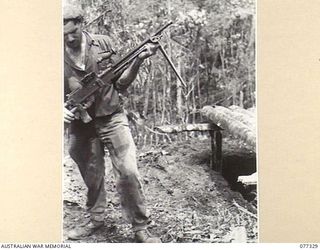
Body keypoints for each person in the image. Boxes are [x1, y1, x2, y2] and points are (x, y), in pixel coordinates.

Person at [63, 3, 161, 243]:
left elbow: (122, 83)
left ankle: (140, 227)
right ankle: (96, 219)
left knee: (128, 171)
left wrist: (138, 60)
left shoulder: (103, 44)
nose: (68, 38)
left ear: (82, 25)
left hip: (112, 116)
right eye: (63, 34)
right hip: (81, 124)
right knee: (92, 174)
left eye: (72, 32)